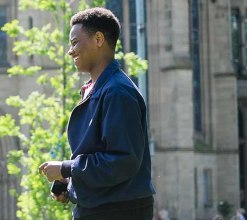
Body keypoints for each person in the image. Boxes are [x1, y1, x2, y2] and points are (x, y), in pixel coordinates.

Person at [38, 7, 155, 220]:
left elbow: (123, 161)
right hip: (100, 208)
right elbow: (99, 157)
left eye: (74, 42)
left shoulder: (118, 91)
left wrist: (67, 168)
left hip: (118, 211)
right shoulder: (99, 88)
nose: (70, 51)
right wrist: (71, 184)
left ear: (99, 39)